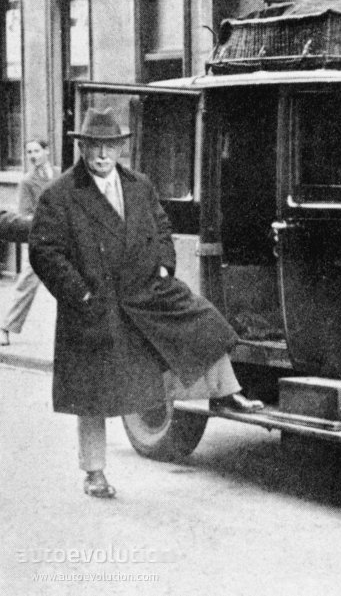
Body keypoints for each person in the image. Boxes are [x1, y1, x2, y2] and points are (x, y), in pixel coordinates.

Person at [29, 107, 263, 500]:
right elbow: (45, 253)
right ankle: (95, 471)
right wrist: (80, 294)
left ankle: (226, 392)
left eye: (110, 147)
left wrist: (166, 267)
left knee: (203, 320)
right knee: (93, 391)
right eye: (94, 147)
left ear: (120, 149)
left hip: (146, 289)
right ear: (82, 148)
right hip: (96, 301)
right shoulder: (61, 195)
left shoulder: (139, 185)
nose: (103, 156)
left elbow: (162, 227)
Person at [1, 139, 55, 346]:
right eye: (29, 152)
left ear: (47, 151)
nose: (33, 156)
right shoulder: (27, 181)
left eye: (37, 151)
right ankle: (5, 327)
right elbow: (24, 216)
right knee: (27, 283)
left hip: (62, 237)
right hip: (38, 239)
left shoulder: (60, 174)